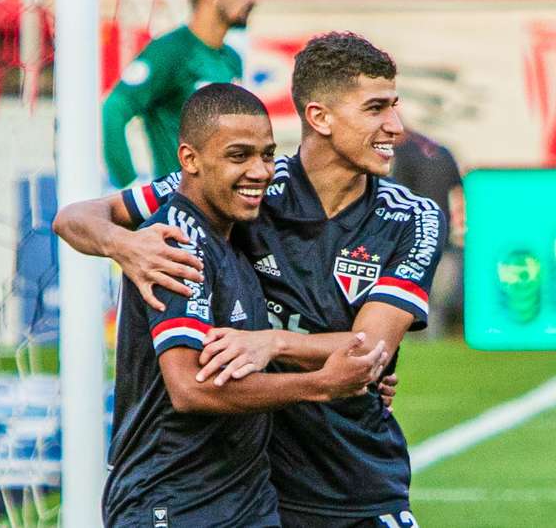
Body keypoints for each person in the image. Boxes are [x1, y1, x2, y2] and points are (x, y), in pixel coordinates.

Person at [54, 33, 447, 526]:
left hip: (354, 479)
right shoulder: (243, 185)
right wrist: (126, 246)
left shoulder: (412, 218)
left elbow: (370, 350)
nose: (396, 126)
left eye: (394, 106)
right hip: (258, 487)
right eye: (376, 109)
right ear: (320, 117)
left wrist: (271, 343)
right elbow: (77, 217)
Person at [97, 83, 388, 527]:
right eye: (239, 156)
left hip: (246, 498)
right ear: (190, 160)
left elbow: (240, 359)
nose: (260, 171)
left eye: (267, 155)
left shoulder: (234, 239)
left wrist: (350, 377)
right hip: (172, 500)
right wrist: (322, 384)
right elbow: (190, 387)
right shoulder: (177, 242)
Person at [102, 0, 255, 188]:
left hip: (222, 207)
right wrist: (128, 187)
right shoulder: (169, 52)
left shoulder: (232, 59)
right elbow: (114, 109)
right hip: (180, 208)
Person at [392, 128, 465, 335]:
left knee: (417, 295)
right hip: (443, 236)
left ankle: (424, 337)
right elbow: (457, 192)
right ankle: (432, 336)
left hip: (417, 236)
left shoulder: (405, 154)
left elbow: (399, 193)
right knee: (437, 299)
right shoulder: (443, 152)